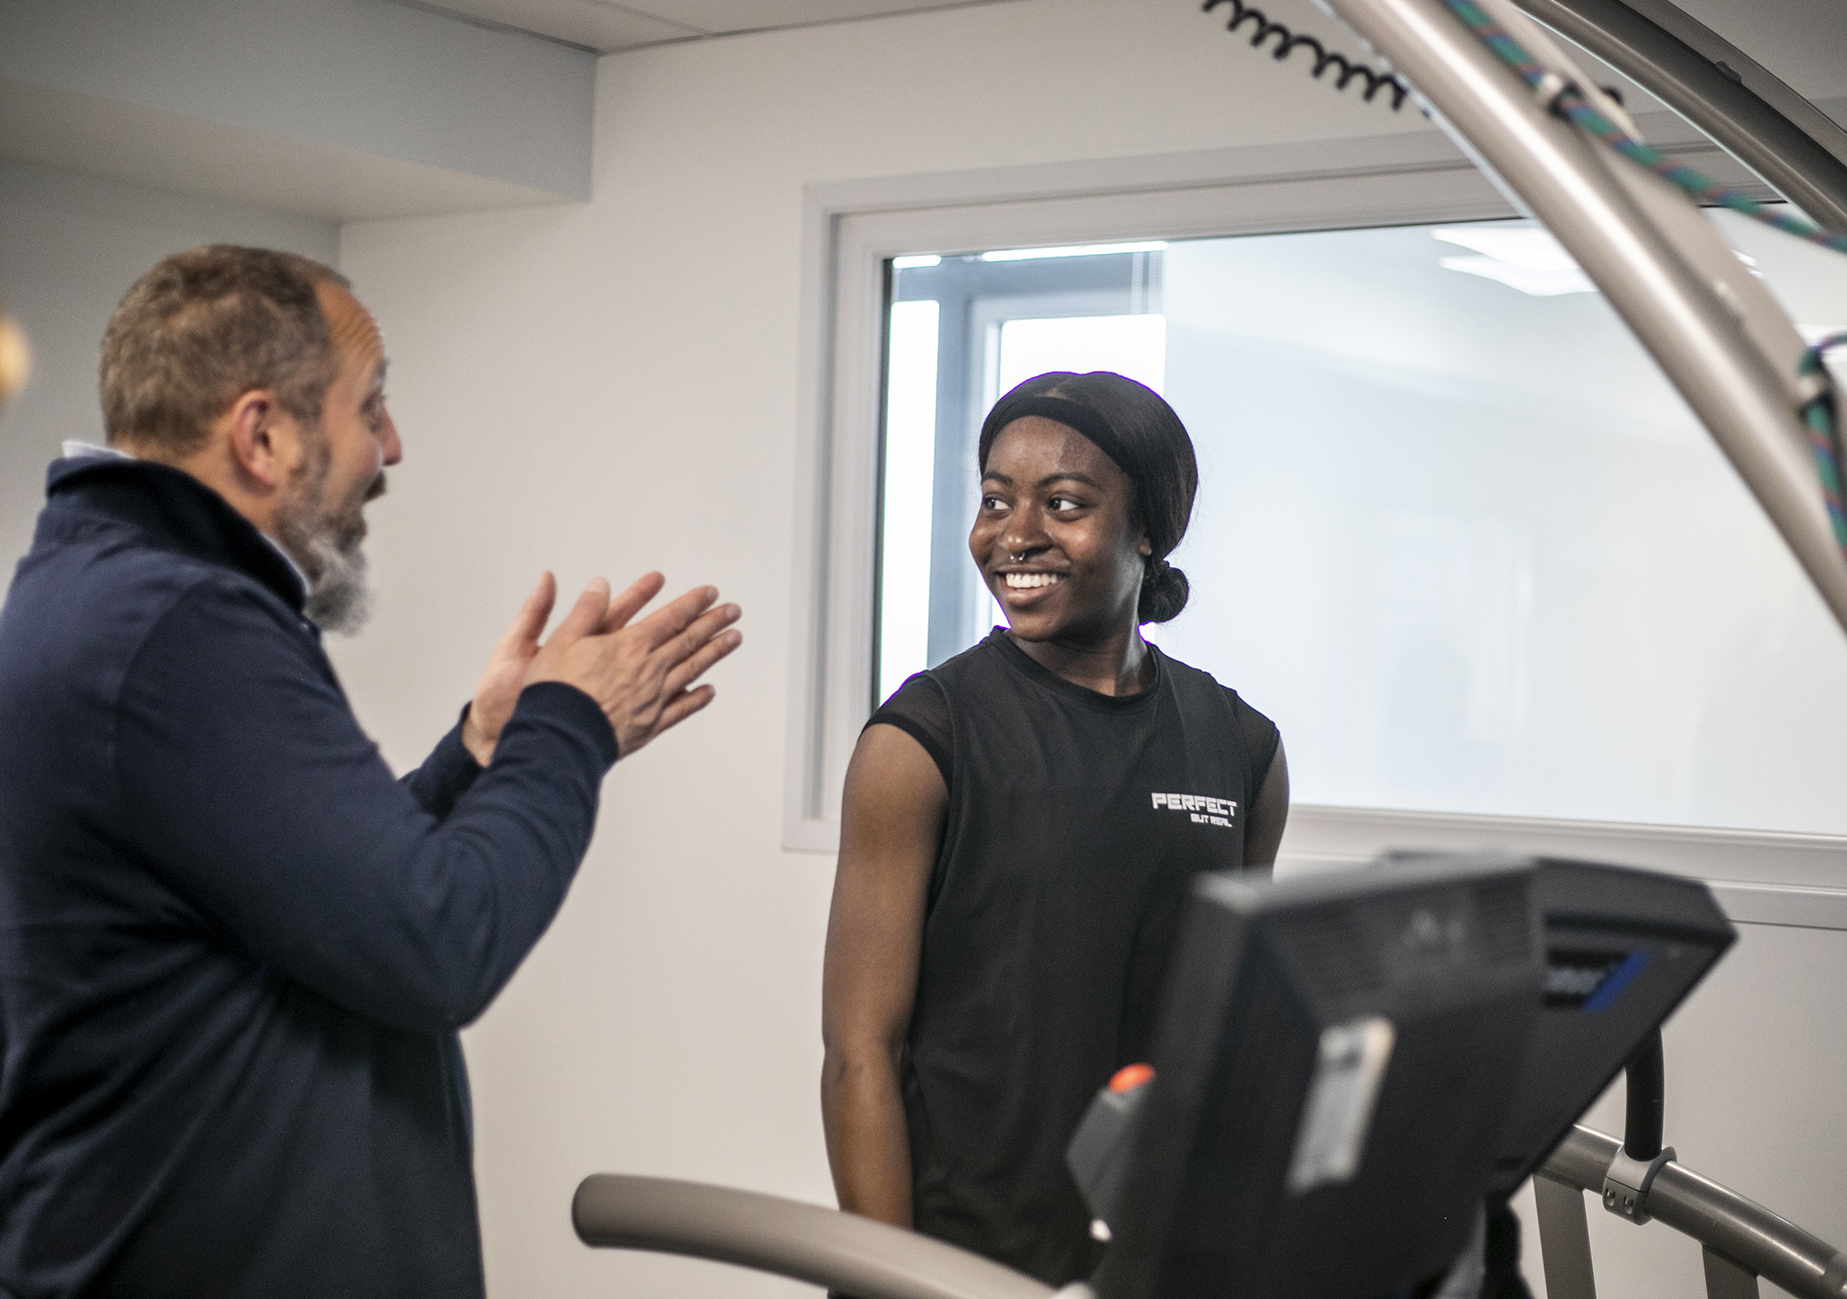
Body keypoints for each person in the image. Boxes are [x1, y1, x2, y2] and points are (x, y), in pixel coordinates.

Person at [0, 245, 741, 1298]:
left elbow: (310, 911)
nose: (391, 448)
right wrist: (567, 721)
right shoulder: (177, 625)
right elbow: (438, 942)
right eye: (371, 405)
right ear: (262, 434)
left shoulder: (110, 594)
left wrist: (479, 754)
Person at [820, 371, 1290, 1286]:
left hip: (1154, 1252)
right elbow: (857, 1053)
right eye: (995, 500)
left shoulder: (1241, 748)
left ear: (1147, 529)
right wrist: (898, 1280)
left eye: (1063, 502)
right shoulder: (923, 740)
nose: (1015, 535)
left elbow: (1228, 1035)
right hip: (963, 1257)